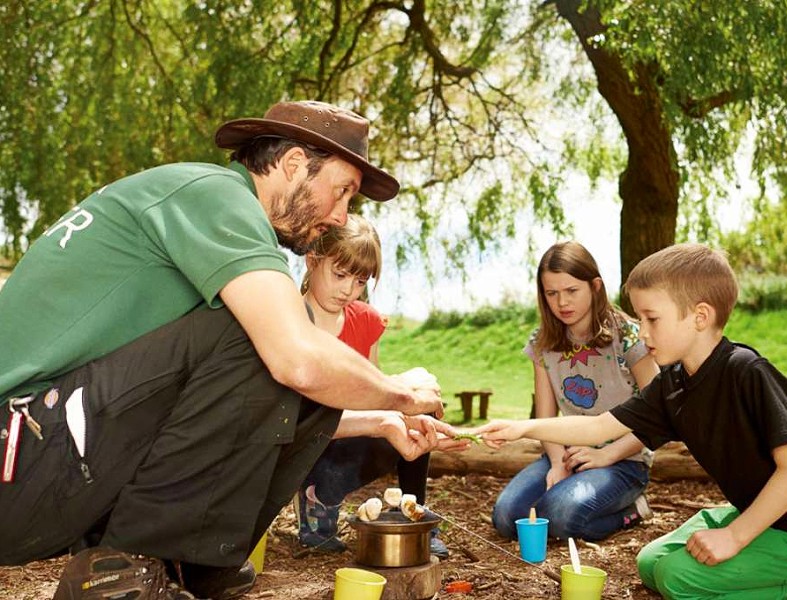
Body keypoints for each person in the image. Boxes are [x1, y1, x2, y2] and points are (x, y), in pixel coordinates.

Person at [0, 100, 460, 600]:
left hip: (42, 464)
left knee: (304, 369)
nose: (341, 215)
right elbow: (297, 357)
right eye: (342, 191)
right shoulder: (216, 196)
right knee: (270, 334)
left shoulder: (202, 200)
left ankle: (189, 560)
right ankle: (119, 574)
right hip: (19, 457)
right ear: (292, 166)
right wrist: (399, 394)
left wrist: (381, 419)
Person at [478, 243, 787, 599]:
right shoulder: (673, 385)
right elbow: (598, 427)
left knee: (677, 578)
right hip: (758, 512)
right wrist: (521, 428)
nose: (642, 333)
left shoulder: (745, 371)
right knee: (650, 564)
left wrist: (735, 536)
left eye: (652, 319)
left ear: (700, 316)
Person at [294, 214, 451, 558]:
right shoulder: (290, 320)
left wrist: (413, 404)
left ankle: (414, 513)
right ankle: (316, 499)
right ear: (312, 259)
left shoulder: (364, 319)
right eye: (340, 274)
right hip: (304, 445)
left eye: (360, 279)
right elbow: (297, 417)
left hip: (351, 432)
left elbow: (375, 395)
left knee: (416, 407)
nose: (349, 289)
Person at [492, 241, 659, 542]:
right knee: (507, 517)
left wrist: (607, 454)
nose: (562, 303)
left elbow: (658, 414)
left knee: (559, 516)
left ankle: (632, 509)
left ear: (595, 286)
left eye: (571, 291)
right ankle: (565, 496)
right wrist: (557, 463)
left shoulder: (630, 337)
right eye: (551, 293)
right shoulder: (543, 343)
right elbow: (545, 416)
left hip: (624, 460)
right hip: (566, 453)